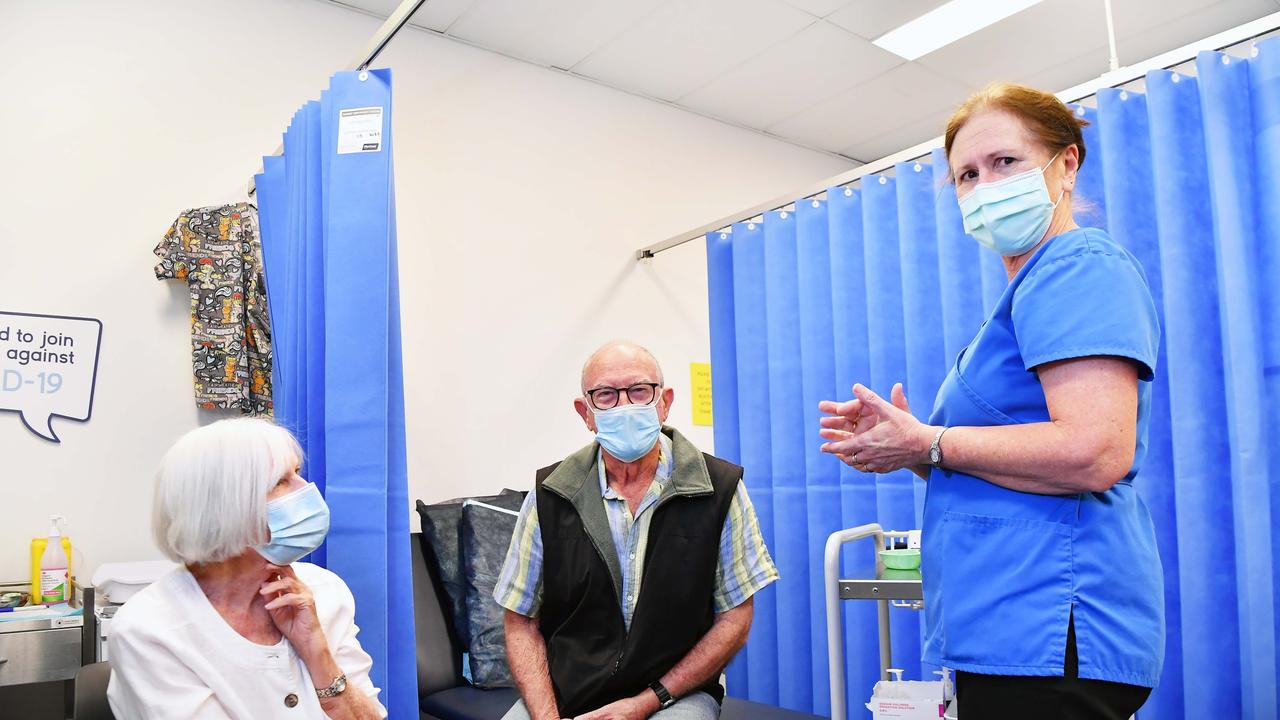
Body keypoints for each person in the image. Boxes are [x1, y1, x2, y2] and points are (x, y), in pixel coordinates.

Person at [818, 83, 1163, 719]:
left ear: (1066, 164)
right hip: (1013, 628)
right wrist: (908, 446)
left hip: (1051, 624)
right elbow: (1009, 459)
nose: (984, 187)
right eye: (966, 176)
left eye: (1004, 163)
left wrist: (928, 441)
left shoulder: (1078, 265)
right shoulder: (1028, 288)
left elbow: (1095, 451)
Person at [494, 340, 779, 720]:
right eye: (607, 395)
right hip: (567, 692)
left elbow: (735, 620)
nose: (625, 406)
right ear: (586, 412)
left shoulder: (719, 488)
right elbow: (520, 621)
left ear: (665, 402)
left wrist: (648, 701)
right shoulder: (550, 495)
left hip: (673, 695)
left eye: (639, 390)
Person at [108, 418, 387, 719]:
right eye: (280, 482)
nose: (306, 490)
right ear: (221, 507)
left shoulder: (323, 591)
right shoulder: (149, 630)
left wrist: (317, 654)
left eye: (297, 473)